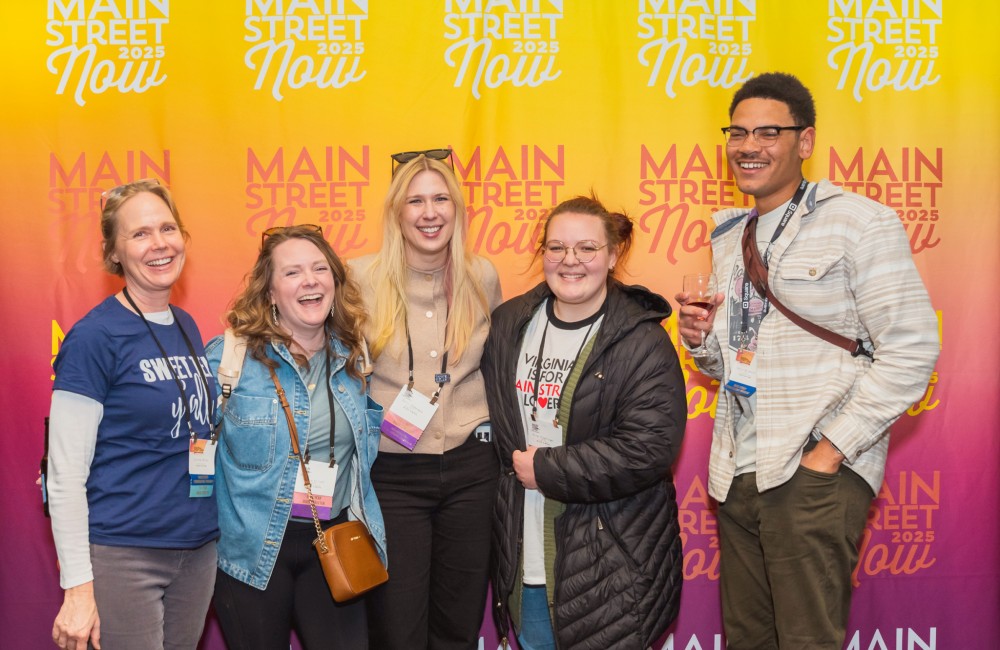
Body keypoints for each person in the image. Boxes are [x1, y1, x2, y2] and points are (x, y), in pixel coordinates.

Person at [675, 72, 940, 649]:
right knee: (750, 639)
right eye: (738, 132)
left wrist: (830, 451)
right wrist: (700, 341)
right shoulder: (730, 235)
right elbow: (733, 361)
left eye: (769, 132)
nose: (749, 146)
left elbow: (913, 347)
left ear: (806, 141)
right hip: (738, 469)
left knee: (807, 640)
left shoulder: (858, 222)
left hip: (810, 467)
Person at [483, 195, 687, 650]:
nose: (570, 261)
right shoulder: (510, 323)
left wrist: (547, 470)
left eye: (587, 249)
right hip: (527, 558)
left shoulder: (643, 341)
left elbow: (648, 449)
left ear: (613, 255)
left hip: (611, 564)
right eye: (556, 248)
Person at [48, 179, 218, 650]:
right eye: (140, 234)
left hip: (198, 548)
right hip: (126, 553)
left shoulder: (184, 323)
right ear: (115, 252)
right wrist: (79, 588)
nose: (159, 243)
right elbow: (64, 476)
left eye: (167, 228)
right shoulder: (93, 338)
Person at [349, 149, 503, 649]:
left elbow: (497, 364)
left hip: (471, 471)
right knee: (397, 628)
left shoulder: (482, 277)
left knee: (457, 624)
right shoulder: (359, 279)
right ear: (397, 212)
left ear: (457, 209)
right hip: (393, 473)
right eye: (415, 201)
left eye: (441, 199)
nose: (429, 212)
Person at [205, 224, 386, 649]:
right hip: (251, 552)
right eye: (292, 272)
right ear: (268, 292)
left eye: (320, 269)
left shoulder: (355, 357)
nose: (310, 280)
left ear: (335, 283)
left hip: (335, 543)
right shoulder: (228, 359)